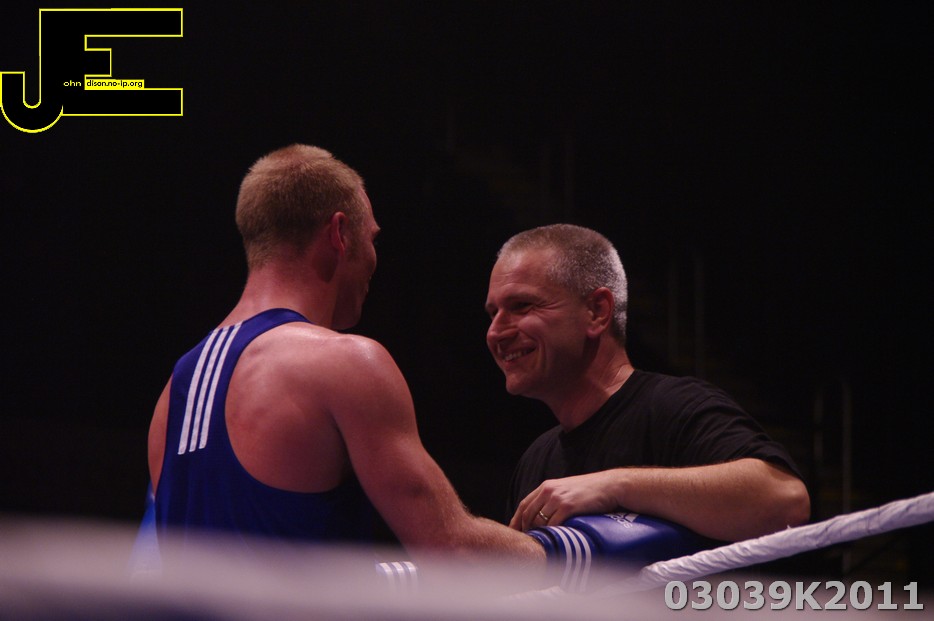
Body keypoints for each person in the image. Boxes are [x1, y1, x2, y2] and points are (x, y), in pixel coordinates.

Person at [147, 144, 544, 566]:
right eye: (372, 238)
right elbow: (451, 548)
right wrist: (571, 549)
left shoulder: (175, 392)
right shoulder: (345, 364)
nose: (375, 258)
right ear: (339, 234)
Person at [484, 224, 810, 542]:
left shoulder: (674, 406)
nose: (495, 332)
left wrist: (616, 485)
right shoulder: (536, 461)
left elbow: (786, 500)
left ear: (597, 311)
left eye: (522, 306)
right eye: (492, 313)